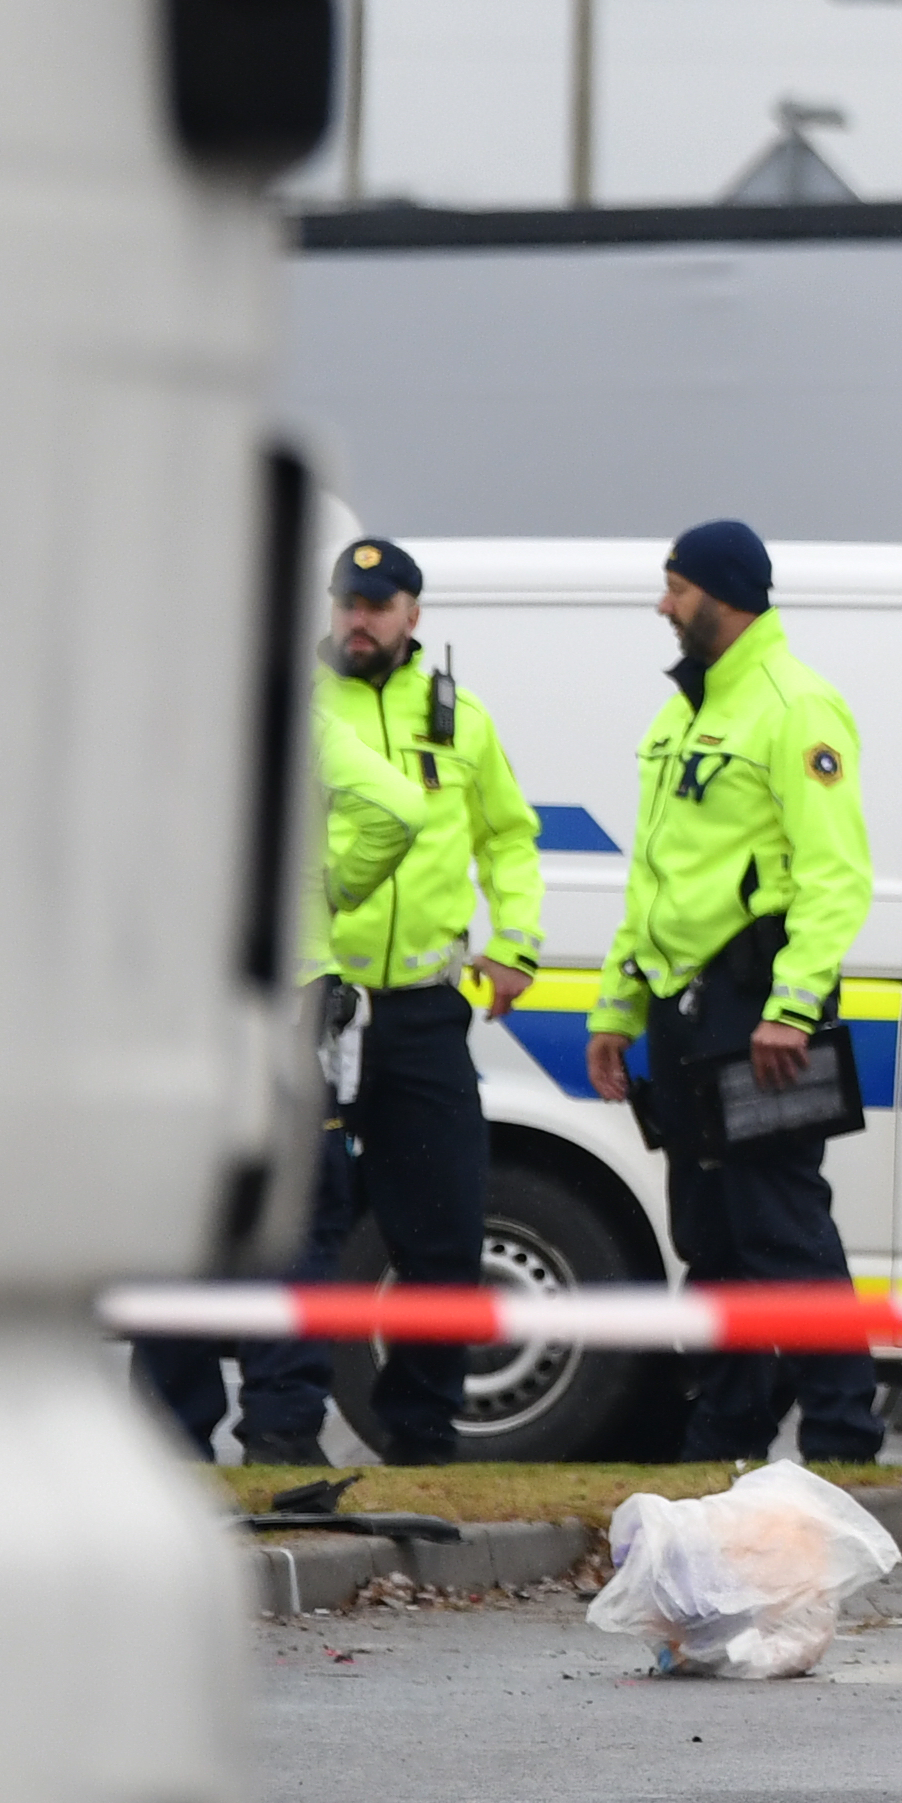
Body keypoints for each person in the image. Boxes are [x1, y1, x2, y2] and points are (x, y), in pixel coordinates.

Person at [609, 518, 880, 1475]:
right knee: (711, 1235)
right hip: (683, 1008)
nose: (663, 604)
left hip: (759, 1006)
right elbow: (654, 880)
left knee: (781, 1228)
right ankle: (725, 1435)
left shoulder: (795, 705)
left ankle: (844, 1440)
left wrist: (791, 1009)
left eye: (677, 588)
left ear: (723, 594)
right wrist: (615, 1010)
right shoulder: (681, 713)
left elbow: (836, 876)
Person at [304, 537, 540, 1465]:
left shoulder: (461, 721)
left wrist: (515, 944)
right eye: (347, 603)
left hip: (420, 1013)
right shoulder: (302, 708)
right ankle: (286, 1430)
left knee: (443, 1226)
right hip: (319, 1004)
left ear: (413, 614)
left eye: (378, 605)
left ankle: (424, 1434)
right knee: (308, 1225)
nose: (359, 620)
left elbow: (509, 839)